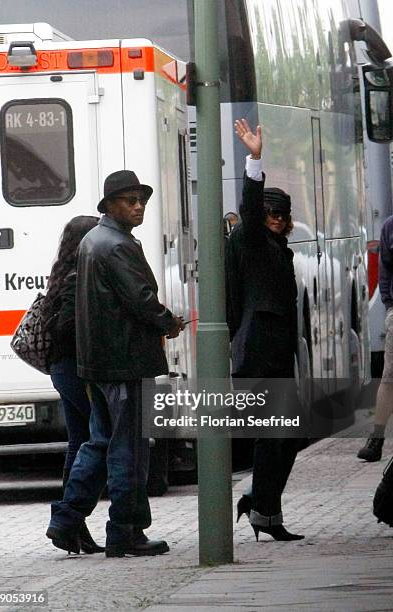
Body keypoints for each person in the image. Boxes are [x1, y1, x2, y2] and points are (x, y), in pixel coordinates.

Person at [46, 170, 184, 557]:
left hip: (99, 364)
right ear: (109, 205)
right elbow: (140, 299)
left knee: (99, 442)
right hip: (125, 362)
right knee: (129, 449)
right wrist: (168, 322)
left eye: (141, 199)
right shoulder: (118, 245)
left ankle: (67, 518)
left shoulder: (94, 240)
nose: (138, 206)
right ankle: (125, 530)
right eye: (129, 200)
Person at [227, 118, 304, 541]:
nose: (276, 219)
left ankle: (261, 508)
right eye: (270, 213)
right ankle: (263, 512)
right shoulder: (252, 241)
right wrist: (255, 159)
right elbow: (251, 210)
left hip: (276, 357)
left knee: (285, 438)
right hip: (257, 356)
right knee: (270, 439)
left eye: (282, 214)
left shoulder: (279, 249)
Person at [43, 215, 102, 554]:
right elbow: (65, 328)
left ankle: (73, 526)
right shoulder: (77, 277)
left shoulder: (63, 272)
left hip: (64, 369)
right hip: (74, 370)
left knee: (79, 442)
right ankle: (67, 517)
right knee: (100, 440)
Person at [357, 215, 393, 461]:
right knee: (389, 378)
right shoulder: (390, 226)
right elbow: (385, 268)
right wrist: (390, 305)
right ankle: (376, 438)